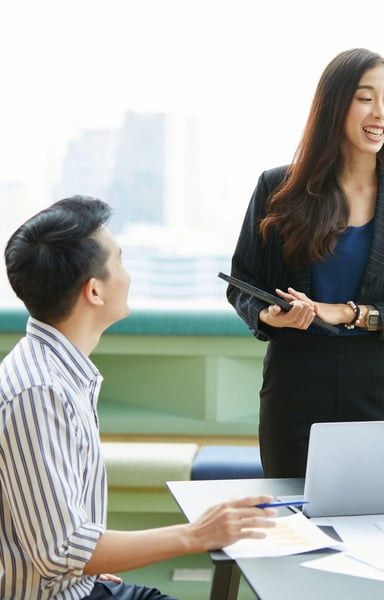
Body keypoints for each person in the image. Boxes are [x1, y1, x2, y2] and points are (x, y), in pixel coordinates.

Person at [0, 196, 279, 600]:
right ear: (94, 291)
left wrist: (87, 572)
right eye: (120, 262)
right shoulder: (40, 393)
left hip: (77, 585)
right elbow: (60, 550)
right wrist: (196, 534)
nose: (127, 276)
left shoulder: (54, 369)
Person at [227, 48, 384, 478]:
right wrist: (271, 317)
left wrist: (352, 313)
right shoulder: (279, 187)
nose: (381, 112)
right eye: (366, 98)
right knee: (294, 517)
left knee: (373, 517)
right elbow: (242, 283)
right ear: (334, 105)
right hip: (293, 380)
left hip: (373, 381)